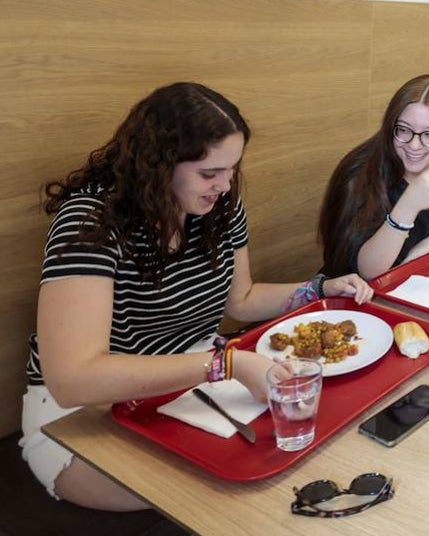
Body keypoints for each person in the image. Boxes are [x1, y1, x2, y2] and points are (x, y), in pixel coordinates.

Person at [21, 83, 374, 510]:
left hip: (193, 389)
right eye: (209, 173)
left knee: (307, 439)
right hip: (83, 418)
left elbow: (240, 300)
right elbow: (73, 380)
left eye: (231, 169)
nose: (224, 186)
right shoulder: (91, 222)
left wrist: (317, 289)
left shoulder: (218, 208)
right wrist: (225, 363)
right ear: (157, 165)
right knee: (236, 493)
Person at [319, 75, 429, 281]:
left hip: (424, 286)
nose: (414, 145)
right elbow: (367, 272)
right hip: (357, 299)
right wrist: (409, 205)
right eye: (403, 130)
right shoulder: (359, 172)